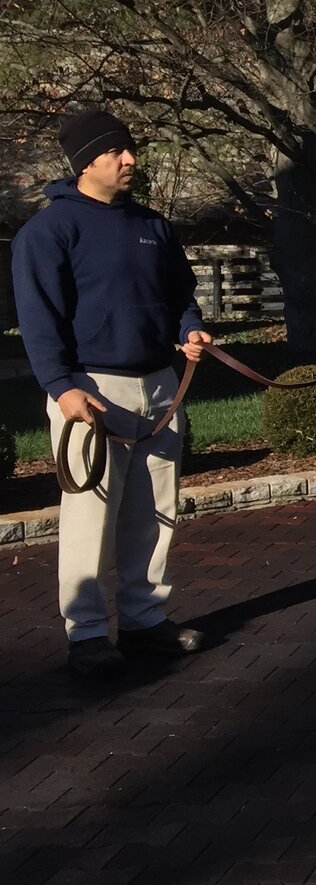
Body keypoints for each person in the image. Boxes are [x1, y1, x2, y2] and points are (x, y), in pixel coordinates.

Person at [11, 107, 213, 678]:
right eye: (114, 152)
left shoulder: (153, 226)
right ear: (85, 162)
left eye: (129, 149)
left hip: (160, 386)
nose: (130, 159)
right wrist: (61, 388)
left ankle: (145, 621)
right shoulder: (48, 232)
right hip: (92, 393)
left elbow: (180, 296)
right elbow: (39, 320)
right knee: (90, 518)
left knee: (156, 513)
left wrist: (189, 330)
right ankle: (87, 635)